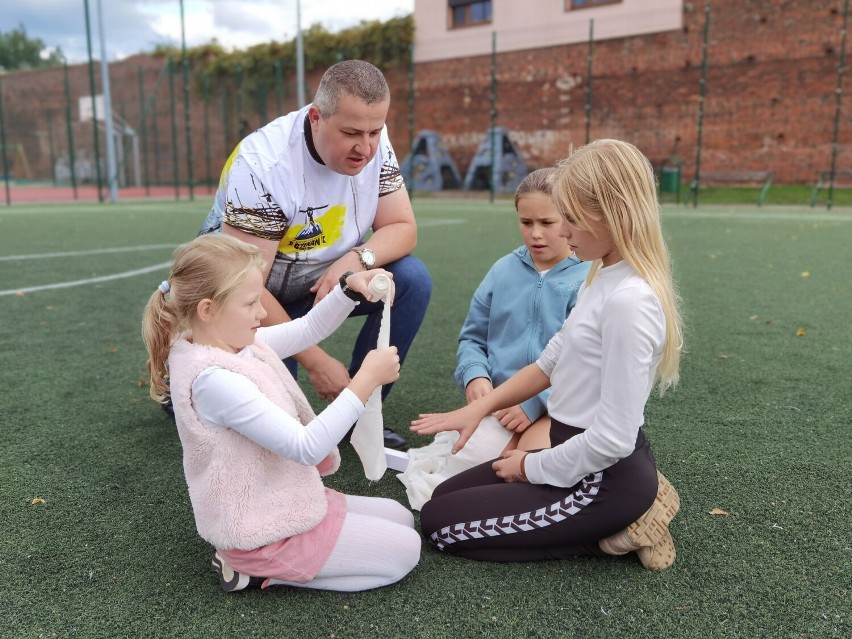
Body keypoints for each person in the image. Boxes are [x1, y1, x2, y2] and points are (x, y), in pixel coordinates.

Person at [411, 139, 684, 571]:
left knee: (440, 527)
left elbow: (612, 440)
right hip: (571, 458)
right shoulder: (600, 276)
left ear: (612, 213)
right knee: (443, 496)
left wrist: (530, 468)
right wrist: (475, 409)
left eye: (570, 218)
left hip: (601, 479)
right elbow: (547, 364)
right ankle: (634, 506)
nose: (562, 232)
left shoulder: (630, 302)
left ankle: (618, 532)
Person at [142, 234, 420, 592]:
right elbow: (306, 447)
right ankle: (260, 570)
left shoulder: (234, 345)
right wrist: (364, 381)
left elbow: (307, 329)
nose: (262, 313)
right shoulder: (214, 382)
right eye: (251, 303)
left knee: (401, 518)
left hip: (280, 499)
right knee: (406, 551)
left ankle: (280, 556)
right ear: (208, 310)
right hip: (262, 532)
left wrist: (349, 289)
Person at [198, 59, 432, 451]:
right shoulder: (263, 165)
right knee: (270, 431)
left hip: (320, 286)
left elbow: (402, 228)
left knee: (411, 279)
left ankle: (359, 415)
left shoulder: (373, 140)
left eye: (375, 131)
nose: (366, 147)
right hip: (246, 300)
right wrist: (316, 360)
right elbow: (240, 282)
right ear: (316, 118)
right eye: (352, 133)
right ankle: (190, 375)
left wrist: (359, 258)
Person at [398, 168, 590, 509]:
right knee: (460, 475)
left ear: (571, 218)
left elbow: (584, 362)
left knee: (534, 471)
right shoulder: (502, 270)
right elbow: (473, 337)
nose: (536, 234)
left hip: (559, 408)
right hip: (500, 405)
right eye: (526, 222)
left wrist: (533, 403)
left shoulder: (587, 279)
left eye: (548, 223)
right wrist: (475, 374)